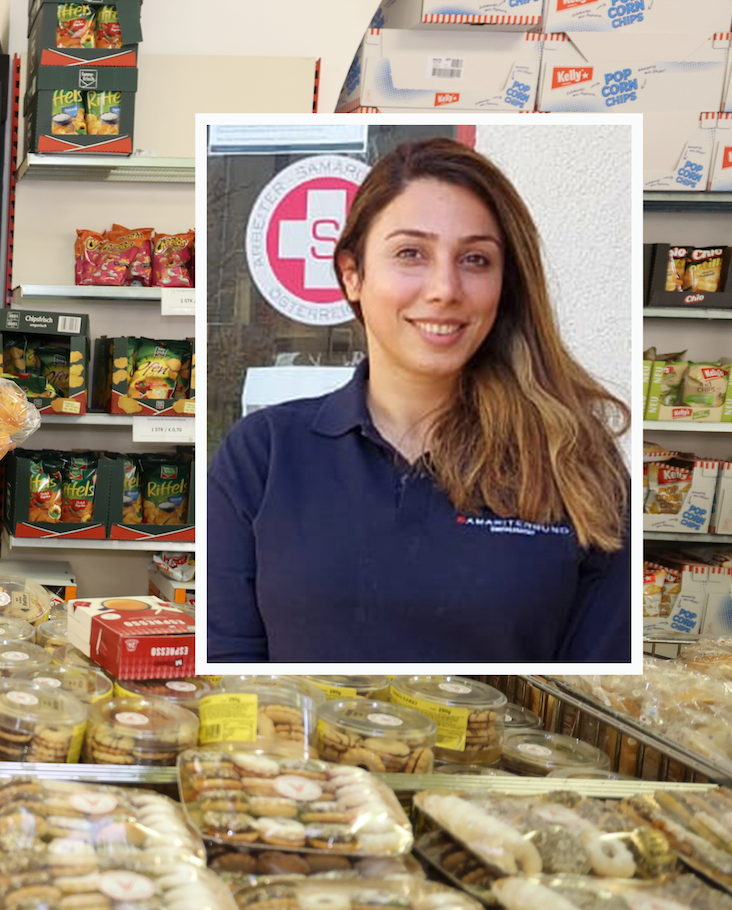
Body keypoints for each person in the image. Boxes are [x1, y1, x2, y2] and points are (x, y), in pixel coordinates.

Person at [207, 137, 630, 663]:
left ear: (507, 283)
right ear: (352, 274)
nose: (444, 289)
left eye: (476, 259)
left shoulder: (575, 463)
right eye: (411, 253)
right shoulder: (262, 455)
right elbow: (229, 672)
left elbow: (597, 698)